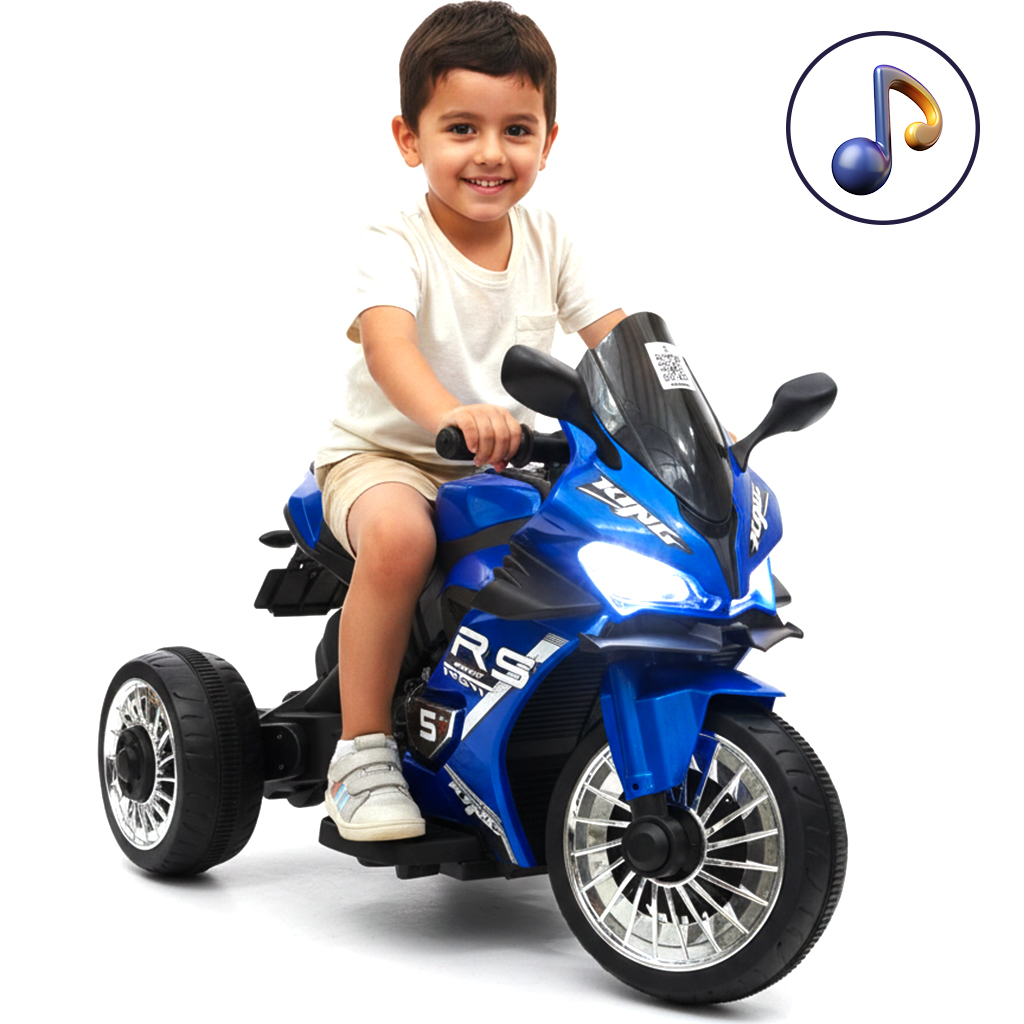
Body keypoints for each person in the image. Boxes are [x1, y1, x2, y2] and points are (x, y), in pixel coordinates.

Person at [315, 1, 625, 842]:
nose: (491, 153)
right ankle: (362, 753)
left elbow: (617, 339)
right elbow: (390, 346)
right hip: (388, 457)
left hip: (508, 463)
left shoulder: (552, 238)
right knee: (401, 539)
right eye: (461, 128)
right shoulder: (394, 241)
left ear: (548, 142)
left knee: (597, 550)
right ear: (409, 139)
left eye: (516, 130)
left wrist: (687, 421)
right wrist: (450, 414)